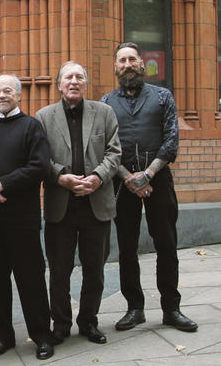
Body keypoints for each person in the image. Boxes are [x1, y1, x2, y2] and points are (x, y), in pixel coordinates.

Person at [102, 42, 198, 333]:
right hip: (122, 184)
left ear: (142, 64)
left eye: (133, 59)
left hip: (159, 180)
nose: (128, 64)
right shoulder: (106, 102)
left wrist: (147, 175)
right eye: (122, 60)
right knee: (127, 248)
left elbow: (171, 140)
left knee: (166, 244)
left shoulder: (162, 96)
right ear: (116, 67)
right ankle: (135, 308)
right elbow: (103, 145)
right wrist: (129, 177)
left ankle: (171, 308)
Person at [0, 74, 55, 360]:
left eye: (7, 90)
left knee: (30, 279)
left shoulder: (31, 127)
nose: (1, 95)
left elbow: (39, 166)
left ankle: (42, 336)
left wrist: (2, 184)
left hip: (22, 220)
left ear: (19, 95)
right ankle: (2, 337)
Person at [35, 61, 121, 345]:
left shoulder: (105, 113)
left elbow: (114, 152)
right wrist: (61, 177)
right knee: (59, 271)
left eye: (79, 77)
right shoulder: (44, 116)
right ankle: (60, 324)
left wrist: (97, 178)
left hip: (96, 204)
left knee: (95, 269)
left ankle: (89, 322)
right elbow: (39, 157)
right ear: (59, 84)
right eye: (68, 77)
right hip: (61, 205)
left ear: (86, 84)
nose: (74, 81)